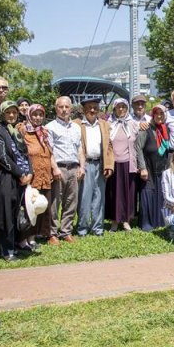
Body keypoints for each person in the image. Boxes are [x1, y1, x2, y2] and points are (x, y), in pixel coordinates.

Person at [0, 101, 33, 261]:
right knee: (6, 214)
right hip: (7, 178)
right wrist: (20, 173)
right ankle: (6, 250)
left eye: (14, 112)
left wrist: (30, 173)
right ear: (2, 114)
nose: (12, 115)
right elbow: (2, 158)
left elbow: (26, 155)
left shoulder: (17, 132)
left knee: (17, 213)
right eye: (8, 113)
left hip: (22, 179)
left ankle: (15, 244)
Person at [18, 103, 60, 244]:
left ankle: (38, 235)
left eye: (40, 115)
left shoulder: (44, 132)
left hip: (45, 174)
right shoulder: (23, 131)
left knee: (42, 206)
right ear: (29, 115)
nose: (37, 117)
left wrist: (53, 168)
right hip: (31, 175)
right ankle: (26, 238)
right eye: (35, 114)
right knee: (30, 207)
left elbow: (50, 152)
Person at [45, 96, 84, 244]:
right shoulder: (50, 127)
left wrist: (82, 166)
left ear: (71, 109)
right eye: (61, 107)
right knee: (55, 202)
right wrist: (54, 168)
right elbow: (49, 150)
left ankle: (66, 231)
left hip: (73, 168)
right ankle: (52, 233)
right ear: (56, 109)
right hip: (59, 168)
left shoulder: (76, 128)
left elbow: (80, 149)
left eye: (67, 107)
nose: (64, 109)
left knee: (71, 201)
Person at [74, 98, 114, 236]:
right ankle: (82, 229)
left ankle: (98, 228)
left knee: (99, 196)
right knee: (84, 197)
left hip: (100, 164)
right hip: (86, 164)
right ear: (83, 109)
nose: (92, 110)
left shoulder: (104, 124)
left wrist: (109, 165)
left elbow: (109, 146)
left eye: (95, 108)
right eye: (89, 107)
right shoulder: (77, 124)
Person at [135, 105, 170, 231]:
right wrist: (142, 168)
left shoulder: (165, 130)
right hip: (148, 167)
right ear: (153, 115)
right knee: (148, 193)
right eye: (157, 113)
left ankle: (159, 221)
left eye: (162, 114)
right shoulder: (146, 129)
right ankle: (147, 223)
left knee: (160, 194)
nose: (159, 116)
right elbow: (138, 148)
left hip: (161, 168)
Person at [107, 98, 138, 231]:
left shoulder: (132, 123)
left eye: (123, 107)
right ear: (114, 109)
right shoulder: (108, 123)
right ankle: (114, 220)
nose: (121, 109)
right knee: (114, 193)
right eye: (118, 107)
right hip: (113, 164)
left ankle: (126, 220)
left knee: (128, 193)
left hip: (128, 163)